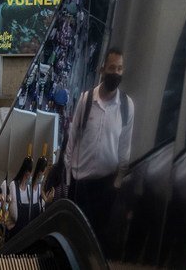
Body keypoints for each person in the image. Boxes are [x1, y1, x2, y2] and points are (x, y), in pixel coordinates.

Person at [65, 48, 134, 239]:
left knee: (97, 239)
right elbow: (72, 141)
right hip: (80, 184)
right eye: (112, 68)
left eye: (120, 68)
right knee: (75, 236)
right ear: (103, 69)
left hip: (106, 187)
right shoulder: (87, 101)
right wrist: (69, 181)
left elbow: (124, 150)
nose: (116, 73)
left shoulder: (127, 107)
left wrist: (117, 184)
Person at [6, 156, 41, 240]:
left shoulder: (30, 188)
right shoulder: (13, 185)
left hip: (26, 234)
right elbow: (10, 211)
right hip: (14, 233)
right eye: (31, 172)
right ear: (27, 172)